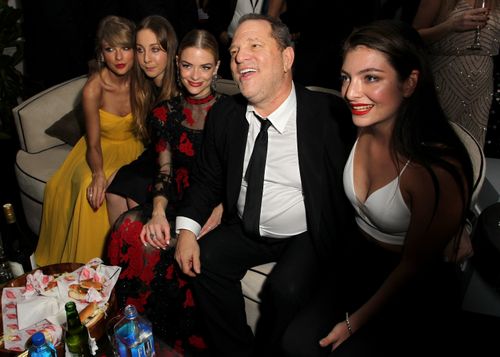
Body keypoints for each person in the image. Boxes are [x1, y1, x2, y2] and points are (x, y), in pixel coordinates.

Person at [281, 20, 474, 356]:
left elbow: (415, 266)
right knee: (294, 342)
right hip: (355, 260)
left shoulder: (434, 168)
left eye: (371, 78)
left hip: (410, 283)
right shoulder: (359, 124)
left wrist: (353, 322)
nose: (351, 93)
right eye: (346, 78)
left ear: (410, 82)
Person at [174, 13, 354, 356]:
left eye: (255, 45)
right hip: (246, 224)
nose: (240, 56)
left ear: (287, 58)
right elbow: (207, 178)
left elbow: (385, 158)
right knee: (207, 260)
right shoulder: (225, 115)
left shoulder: (329, 116)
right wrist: (186, 229)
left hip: (305, 231)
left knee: (284, 290)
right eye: (235, 51)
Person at [107, 27, 224, 355]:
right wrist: (157, 211)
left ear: (217, 69)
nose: (195, 76)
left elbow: (237, 180)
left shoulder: (232, 113)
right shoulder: (165, 112)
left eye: (204, 67)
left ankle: (182, 342)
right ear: (177, 64)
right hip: (176, 201)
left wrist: (216, 214)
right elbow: (165, 172)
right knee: (129, 228)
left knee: (173, 246)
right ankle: (137, 332)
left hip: (215, 208)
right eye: (187, 66)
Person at [34, 15, 144, 266]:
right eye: (110, 49)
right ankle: (90, 269)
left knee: (126, 183)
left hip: (135, 148)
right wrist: (97, 174)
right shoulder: (93, 88)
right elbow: (92, 143)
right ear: (101, 53)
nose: (119, 57)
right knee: (92, 188)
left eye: (125, 48)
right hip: (99, 149)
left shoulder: (142, 79)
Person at [105, 15, 179, 226]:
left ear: (170, 50)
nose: (146, 58)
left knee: (132, 193)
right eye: (140, 49)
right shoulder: (144, 87)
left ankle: (137, 254)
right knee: (112, 190)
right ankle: (118, 255)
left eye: (155, 49)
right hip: (153, 156)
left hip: (174, 163)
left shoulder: (180, 89)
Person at [412, 0, 500, 148]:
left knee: (473, 145)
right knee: (439, 141)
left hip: (482, 83)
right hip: (445, 76)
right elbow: (412, 36)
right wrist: (450, 25)